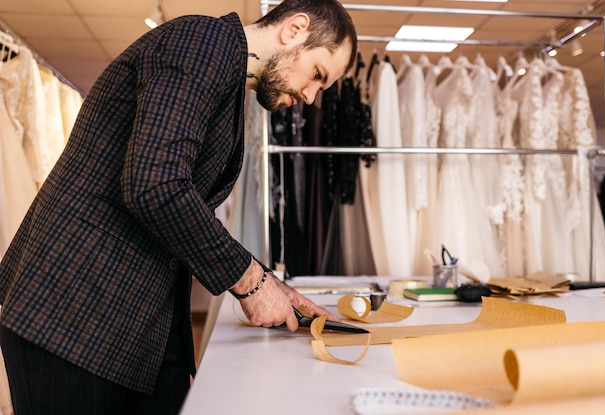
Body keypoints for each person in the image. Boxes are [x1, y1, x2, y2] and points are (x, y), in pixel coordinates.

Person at [0, 0, 357, 413]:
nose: (312, 98)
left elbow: (178, 201)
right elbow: (155, 182)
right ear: (294, 29)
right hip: (72, 314)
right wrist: (251, 282)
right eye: (317, 75)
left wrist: (272, 286)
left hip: (129, 319)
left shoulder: (225, 75)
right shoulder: (202, 42)